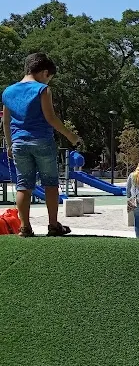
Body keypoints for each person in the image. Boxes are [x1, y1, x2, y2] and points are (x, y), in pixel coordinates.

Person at [1, 53, 80, 237]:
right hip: (42, 141)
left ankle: (24, 227)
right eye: (49, 78)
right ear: (45, 73)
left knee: (24, 185)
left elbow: (6, 122)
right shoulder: (42, 90)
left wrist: (10, 145)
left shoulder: (8, 92)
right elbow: (50, 118)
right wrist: (71, 136)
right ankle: (53, 225)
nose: (48, 82)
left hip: (19, 142)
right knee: (50, 184)